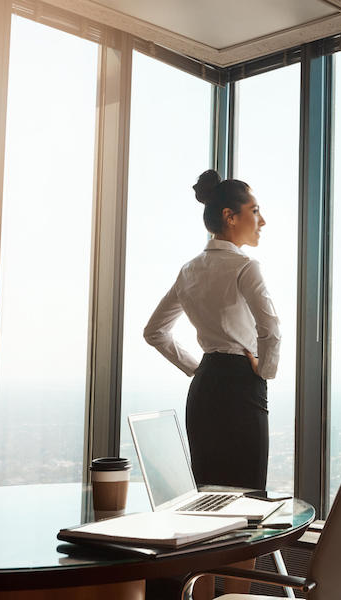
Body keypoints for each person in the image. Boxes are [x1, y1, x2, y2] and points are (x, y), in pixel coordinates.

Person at [144, 170, 281, 598]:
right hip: (241, 388)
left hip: (204, 391)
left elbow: (154, 332)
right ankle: (236, 597)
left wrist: (197, 368)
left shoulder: (189, 270)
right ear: (230, 216)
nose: (262, 220)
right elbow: (271, 329)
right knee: (247, 508)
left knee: (205, 507)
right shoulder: (245, 267)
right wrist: (263, 371)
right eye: (254, 211)